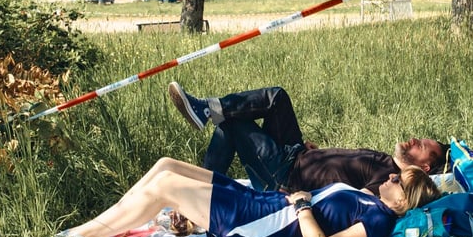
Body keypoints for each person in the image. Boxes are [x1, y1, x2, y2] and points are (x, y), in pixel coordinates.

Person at [62, 158, 442, 237]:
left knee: (163, 187)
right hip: (259, 202)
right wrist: (196, 224)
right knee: (166, 166)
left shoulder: (376, 219)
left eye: (398, 181)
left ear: (404, 202)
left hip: (258, 222)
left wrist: (302, 207)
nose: (390, 177)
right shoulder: (369, 197)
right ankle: (114, 219)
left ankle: (79, 236)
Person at [168, 83, 450, 194]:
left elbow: (350, 201)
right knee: (277, 97)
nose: (414, 140)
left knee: (231, 125)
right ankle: (208, 109)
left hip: (285, 175)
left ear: (425, 168)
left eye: (422, 146)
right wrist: (318, 153)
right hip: (298, 154)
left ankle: (199, 193)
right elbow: (342, 168)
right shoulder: (386, 161)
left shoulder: (391, 183)